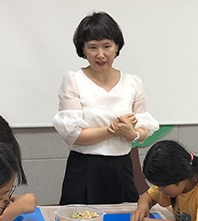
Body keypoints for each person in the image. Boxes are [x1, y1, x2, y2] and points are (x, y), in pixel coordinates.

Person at [53, 11, 159, 205]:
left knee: (124, 219)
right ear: (83, 49)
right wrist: (112, 130)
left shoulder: (133, 82)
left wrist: (133, 134)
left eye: (107, 46)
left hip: (122, 166)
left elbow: (144, 129)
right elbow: (74, 135)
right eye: (93, 47)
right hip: (84, 167)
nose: (100, 54)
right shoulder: (74, 80)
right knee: (79, 220)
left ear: (117, 46)